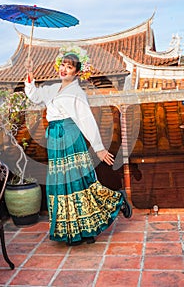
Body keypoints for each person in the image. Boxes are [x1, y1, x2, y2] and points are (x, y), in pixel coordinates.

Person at [24, 46, 132, 246]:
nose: (64, 69)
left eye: (69, 67)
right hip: (55, 138)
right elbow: (35, 96)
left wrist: (98, 147)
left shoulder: (77, 93)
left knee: (79, 182)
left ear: (77, 72)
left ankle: (114, 202)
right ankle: (76, 231)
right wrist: (29, 73)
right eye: (63, 65)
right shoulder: (52, 88)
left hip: (71, 136)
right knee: (62, 184)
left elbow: (86, 120)